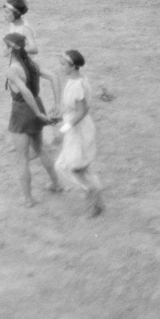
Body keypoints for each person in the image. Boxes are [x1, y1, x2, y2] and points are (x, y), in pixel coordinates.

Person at [3, 32, 62, 208]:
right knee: (40, 147)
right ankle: (55, 183)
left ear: (10, 49)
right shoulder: (32, 64)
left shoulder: (12, 69)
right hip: (37, 104)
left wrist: (37, 113)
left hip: (22, 111)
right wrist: (56, 103)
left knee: (22, 157)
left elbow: (24, 92)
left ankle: (28, 198)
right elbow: (54, 77)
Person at [54, 50, 104, 216]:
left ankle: (93, 197)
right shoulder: (73, 81)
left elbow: (81, 112)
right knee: (71, 166)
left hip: (79, 131)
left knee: (74, 167)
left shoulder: (78, 85)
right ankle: (96, 198)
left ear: (73, 66)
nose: (61, 67)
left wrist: (63, 129)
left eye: (63, 64)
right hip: (74, 128)